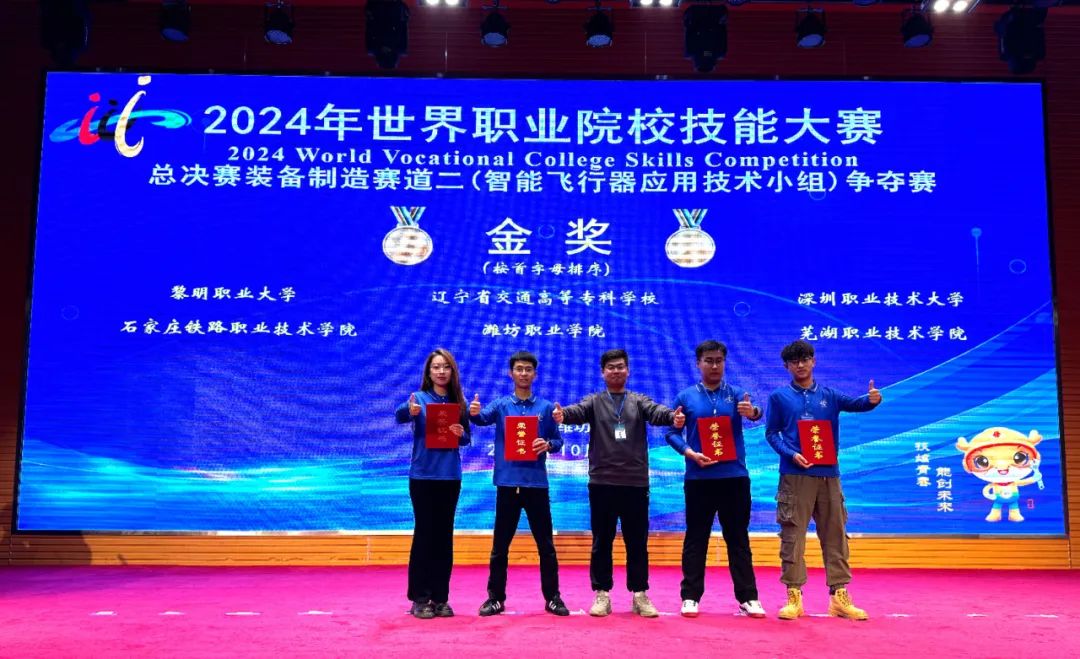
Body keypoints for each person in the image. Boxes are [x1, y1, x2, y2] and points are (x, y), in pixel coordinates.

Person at [553, 348, 684, 618]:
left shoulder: (638, 400)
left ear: (628, 371)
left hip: (635, 484)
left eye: (620, 366)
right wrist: (562, 415)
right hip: (602, 483)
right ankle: (602, 594)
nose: (616, 371)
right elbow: (576, 411)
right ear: (603, 372)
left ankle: (640, 594)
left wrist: (673, 417)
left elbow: (657, 412)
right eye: (611, 367)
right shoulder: (594, 401)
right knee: (602, 541)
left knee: (637, 542)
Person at [764, 340, 881, 621]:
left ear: (813, 361)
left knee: (835, 535)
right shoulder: (779, 397)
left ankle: (839, 596)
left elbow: (858, 404)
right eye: (794, 362)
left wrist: (873, 401)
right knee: (792, 536)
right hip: (795, 476)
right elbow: (771, 434)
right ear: (787, 367)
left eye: (805, 359)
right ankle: (794, 596)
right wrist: (791, 454)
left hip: (829, 475)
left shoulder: (829, 395)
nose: (800, 365)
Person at [665, 340, 766, 619]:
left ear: (724, 363)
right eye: (708, 360)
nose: (714, 365)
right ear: (698, 363)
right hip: (699, 478)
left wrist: (753, 413)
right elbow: (671, 432)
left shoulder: (737, 394)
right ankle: (690, 596)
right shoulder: (686, 397)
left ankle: (748, 597)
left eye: (719, 360)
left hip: (734, 478)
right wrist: (689, 452)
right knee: (696, 538)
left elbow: (757, 412)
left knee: (738, 539)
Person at [470, 351, 569, 617]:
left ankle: (553, 598)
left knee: (546, 546)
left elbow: (558, 441)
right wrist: (473, 413)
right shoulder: (501, 405)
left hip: (536, 485)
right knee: (500, 547)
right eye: (519, 369)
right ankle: (495, 598)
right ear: (510, 373)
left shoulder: (545, 408)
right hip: (507, 484)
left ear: (534, 374)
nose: (523, 373)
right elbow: (481, 418)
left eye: (528, 369)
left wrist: (548, 444)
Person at [394, 348, 471, 619]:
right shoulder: (419, 399)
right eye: (436, 367)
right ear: (429, 372)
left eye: (445, 367)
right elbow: (400, 414)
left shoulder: (458, 402)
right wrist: (410, 410)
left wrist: (460, 434)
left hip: (450, 477)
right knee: (424, 535)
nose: (441, 371)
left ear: (452, 371)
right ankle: (419, 598)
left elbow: (466, 438)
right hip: (423, 477)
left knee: (444, 537)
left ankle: (440, 598)